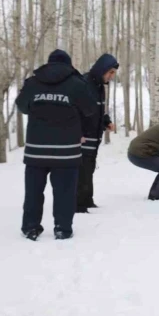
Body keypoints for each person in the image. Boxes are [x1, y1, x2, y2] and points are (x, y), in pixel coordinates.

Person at [16, 49, 97, 240]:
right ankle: (62, 228)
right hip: (66, 151)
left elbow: (21, 106)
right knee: (65, 193)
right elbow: (90, 109)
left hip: (36, 151)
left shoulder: (32, 83)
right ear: (68, 65)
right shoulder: (77, 84)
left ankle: (30, 227)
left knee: (33, 192)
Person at [76, 53, 119, 213]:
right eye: (111, 73)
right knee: (82, 171)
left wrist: (106, 121)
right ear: (102, 70)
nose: (111, 77)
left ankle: (87, 200)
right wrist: (77, 132)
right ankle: (78, 205)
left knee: (90, 168)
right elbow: (77, 111)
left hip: (94, 137)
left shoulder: (99, 87)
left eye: (113, 73)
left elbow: (98, 110)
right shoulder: (84, 84)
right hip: (83, 137)